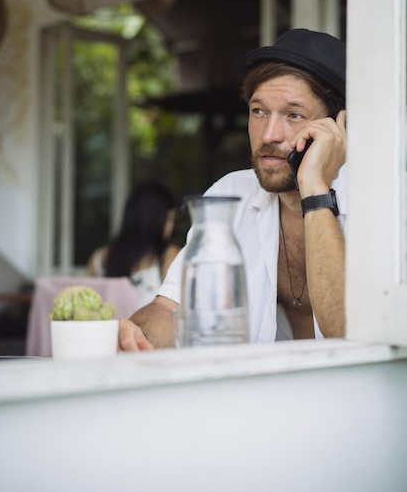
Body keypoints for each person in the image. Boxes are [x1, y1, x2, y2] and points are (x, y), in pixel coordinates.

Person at [118, 28, 347, 350]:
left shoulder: (386, 205)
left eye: (293, 115)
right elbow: (171, 309)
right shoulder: (231, 195)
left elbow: (346, 332)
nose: (269, 134)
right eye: (259, 111)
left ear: (338, 127)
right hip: (254, 394)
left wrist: (315, 187)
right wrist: (135, 334)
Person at [87, 181, 176, 307]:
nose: (171, 227)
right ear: (157, 220)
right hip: (145, 327)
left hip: (109, 327)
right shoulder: (169, 256)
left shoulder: (99, 258)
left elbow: (86, 311)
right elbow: (174, 311)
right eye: (169, 219)